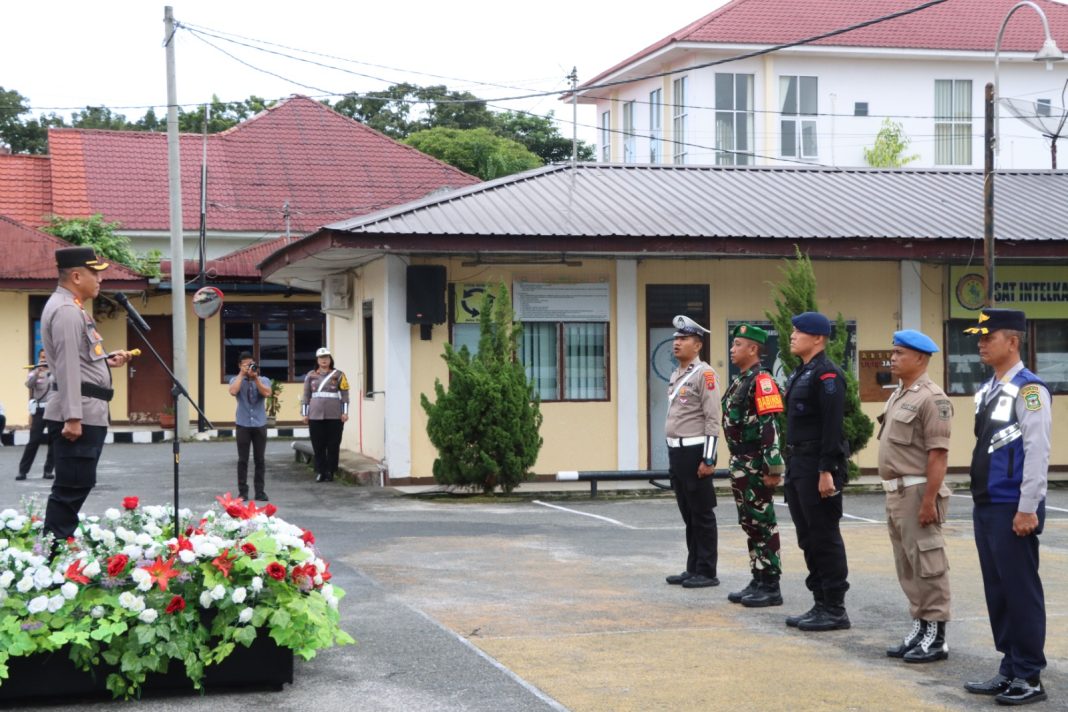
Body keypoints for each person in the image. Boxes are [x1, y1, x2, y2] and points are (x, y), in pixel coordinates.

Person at [962, 309, 1051, 706]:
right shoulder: (988, 388)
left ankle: (1029, 674)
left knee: (1020, 590)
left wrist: (1027, 507)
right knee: (997, 591)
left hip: (1012, 505)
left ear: (1012, 342)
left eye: (988, 336)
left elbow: (1037, 451)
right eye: (979, 337)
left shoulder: (1029, 389)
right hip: (987, 504)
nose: (981, 343)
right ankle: (1009, 666)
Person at [41, 247, 133, 544]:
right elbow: (67, 365)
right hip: (78, 413)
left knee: (76, 486)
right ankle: (51, 558)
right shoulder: (67, 311)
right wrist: (72, 417)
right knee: (70, 490)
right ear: (77, 275)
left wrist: (106, 361)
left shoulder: (73, 307)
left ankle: (56, 550)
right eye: (95, 273)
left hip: (87, 409)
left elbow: (78, 360)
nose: (100, 280)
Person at [878, 330, 952, 663]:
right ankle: (920, 627)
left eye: (899, 353)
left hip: (918, 490)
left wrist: (928, 502)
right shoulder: (899, 395)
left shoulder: (933, 399)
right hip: (896, 493)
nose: (892, 358)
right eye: (893, 353)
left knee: (928, 563)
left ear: (920, 358)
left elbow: (938, 455)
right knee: (907, 565)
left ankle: (936, 636)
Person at [782, 311, 850, 632]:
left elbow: (832, 427)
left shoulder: (827, 375)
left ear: (818, 338)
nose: (792, 336)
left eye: (800, 331)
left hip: (817, 466)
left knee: (824, 535)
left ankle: (835, 607)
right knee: (807, 536)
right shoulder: (802, 373)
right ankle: (819, 601)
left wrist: (827, 470)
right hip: (799, 464)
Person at [722, 322, 786, 608]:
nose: (732, 349)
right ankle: (758, 576)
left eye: (738, 345)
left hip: (755, 462)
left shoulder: (762, 381)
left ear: (753, 349)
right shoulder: (741, 379)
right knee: (750, 522)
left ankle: (771, 584)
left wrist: (772, 467)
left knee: (763, 522)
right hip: (741, 461)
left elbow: (769, 424)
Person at [663, 315, 722, 589]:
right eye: (676, 338)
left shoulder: (705, 375)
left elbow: (713, 419)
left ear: (697, 345)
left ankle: (707, 571)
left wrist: (709, 458)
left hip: (696, 452)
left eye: (683, 339)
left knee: (702, 514)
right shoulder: (677, 374)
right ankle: (693, 567)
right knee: (688, 514)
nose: (677, 343)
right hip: (677, 453)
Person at [301, 347, 350, 482]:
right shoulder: (310, 375)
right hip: (315, 415)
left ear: (330, 360)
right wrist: (305, 413)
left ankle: (331, 471)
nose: (324, 360)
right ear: (317, 360)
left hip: (334, 415)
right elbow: (306, 395)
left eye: (326, 358)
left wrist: (345, 412)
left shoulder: (339, 374)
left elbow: (345, 395)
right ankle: (321, 471)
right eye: (321, 358)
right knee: (318, 445)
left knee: (333, 445)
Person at [228, 351, 272, 501]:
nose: (248, 367)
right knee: (243, 460)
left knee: (260, 459)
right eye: (245, 364)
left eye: (251, 364)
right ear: (240, 366)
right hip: (243, 424)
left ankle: (260, 491)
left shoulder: (263, 380)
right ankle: (243, 492)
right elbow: (233, 391)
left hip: (260, 424)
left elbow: (267, 393)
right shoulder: (235, 379)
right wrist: (242, 375)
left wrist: (255, 379)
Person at [17, 350, 55, 481]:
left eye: (47, 357)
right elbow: (28, 385)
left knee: (53, 441)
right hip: (40, 410)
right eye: (42, 357)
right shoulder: (34, 372)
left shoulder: (56, 370)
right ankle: (23, 471)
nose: (44, 359)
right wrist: (38, 372)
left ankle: (48, 470)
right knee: (34, 441)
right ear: (39, 358)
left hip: (54, 410)